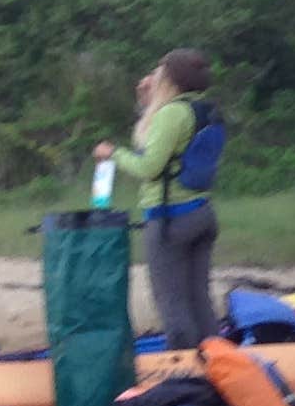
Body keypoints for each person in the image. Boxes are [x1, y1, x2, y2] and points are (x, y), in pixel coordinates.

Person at [96, 48, 225, 352]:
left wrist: (112, 153)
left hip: (171, 220)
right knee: (199, 298)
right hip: (203, 214)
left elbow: (148, 166)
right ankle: (217, 364)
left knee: (171, 301)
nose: (153, 76)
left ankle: (182, 368)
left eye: (159, 71)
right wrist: (147, 105)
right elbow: (161, 148)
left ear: (169, 78)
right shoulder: (203, 110)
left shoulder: (170, 114)